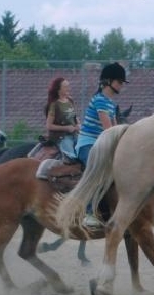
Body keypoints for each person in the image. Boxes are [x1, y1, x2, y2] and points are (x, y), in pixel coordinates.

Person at [76, 62, 128, 226]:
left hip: (102, 143)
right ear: (108, 82)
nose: (121, 86)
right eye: (119, 82)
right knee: (97, 170)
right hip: (88, 143)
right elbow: (108, 130)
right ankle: (89, 213)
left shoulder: (110, 103)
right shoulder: (99, 101)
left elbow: (115, 129)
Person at [45, 77, 80, 164]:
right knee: (71, 158)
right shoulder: (54, 105)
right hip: (62, 137)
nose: (68, 88)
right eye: (65, 87)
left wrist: (78, 124)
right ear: (58, 90)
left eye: (68, 86)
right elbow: (49, 125)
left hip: (75, 134)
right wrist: (66, 128)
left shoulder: (70, 101)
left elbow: (74, 117)